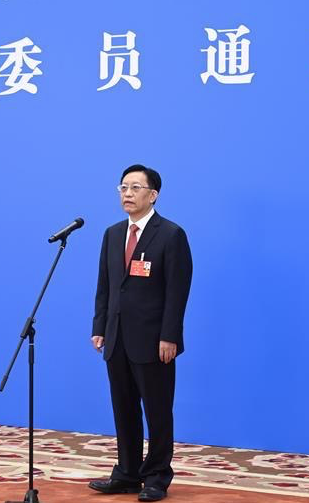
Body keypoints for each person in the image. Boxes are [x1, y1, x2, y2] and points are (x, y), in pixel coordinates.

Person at [89, 165, 193, 502]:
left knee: (158, 411)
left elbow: (177, 291)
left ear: (153, 194)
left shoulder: (171, 235)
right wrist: (99, 327)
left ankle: (157, 476)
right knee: (124, 409)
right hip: (116, 337)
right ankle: (127, 473)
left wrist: (170, 335)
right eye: (123, 187)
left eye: (135, 187)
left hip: (153, 340)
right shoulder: (113, 234)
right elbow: (105, 287)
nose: (128, 194)